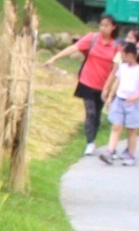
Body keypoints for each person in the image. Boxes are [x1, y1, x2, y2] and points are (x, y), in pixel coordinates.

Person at [48, 14, 121, 155]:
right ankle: (90, 142)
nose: (103, 28)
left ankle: (93, 138)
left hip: (103, 85)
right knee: (91, 112)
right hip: (87, 81)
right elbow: (74, 48)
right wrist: (55, 58)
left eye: (107, 25)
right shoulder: (92, 38)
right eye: (101, 25)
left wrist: (108, 87)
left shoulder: (116, 46)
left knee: (98, 115)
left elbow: (115, 69)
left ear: (113, 27)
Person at [99, 41, 139, 165]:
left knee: (132, 130)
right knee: (116, 125)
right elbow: (118, 83)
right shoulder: (122, 68)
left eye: (123, 53)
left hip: (133, 102)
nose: (121, 56)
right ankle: (110, 151)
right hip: (120, 99)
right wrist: (110, 97)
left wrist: (136, 97)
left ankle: (131, 154)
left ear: (130, 55)